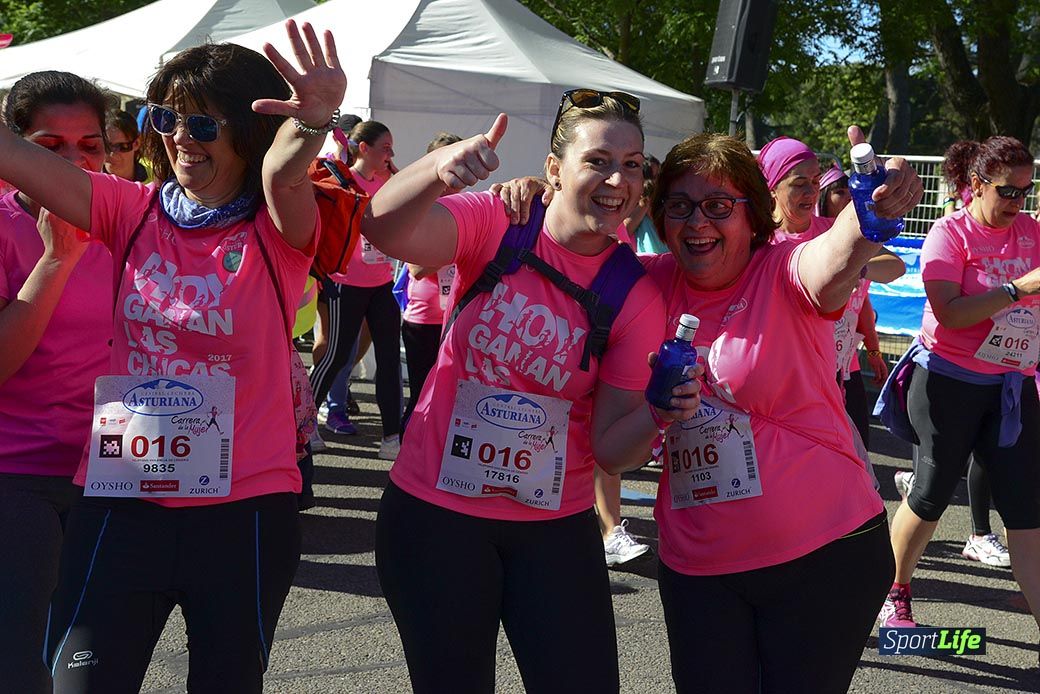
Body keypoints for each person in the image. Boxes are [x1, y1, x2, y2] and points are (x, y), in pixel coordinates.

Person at [0, 20, 346, 692]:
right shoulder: (129, 210)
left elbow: (283, 172)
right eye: (168, 118)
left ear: (248, 134)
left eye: (207, 125)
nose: (182, 138)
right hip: (122, 498)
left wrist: (311, 123)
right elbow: (13, 156)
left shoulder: (279, 226)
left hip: (243, 511)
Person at [365, 91, 698, 692]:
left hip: (554, 527)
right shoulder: (499, 222)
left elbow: (613, 450)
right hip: (436, 517)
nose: (616, 179)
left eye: (632, 164)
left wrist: (658, 412)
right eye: (597, 160)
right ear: (553, 169)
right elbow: (385, 228)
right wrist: (436, 175)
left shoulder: (634, 292)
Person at [605, 128, 922, 693]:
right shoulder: (647, 287)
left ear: (753, 215)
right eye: (679, 206)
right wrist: (536, 198)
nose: (697, 221)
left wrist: (868, 214)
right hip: (699, 568)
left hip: (825, 554)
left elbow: (830, 262)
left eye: (719, 206)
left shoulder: (781, 268)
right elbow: (611, 450)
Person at [878, 136, 1040, 632]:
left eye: (1025, 193)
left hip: (1011, 385)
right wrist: (1016, 288)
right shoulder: (950, 233)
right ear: (975, 185)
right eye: (1007, 192)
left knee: (1027, 510)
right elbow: (949, 314)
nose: (1017, 203)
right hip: (948, 381)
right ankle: (893, 590)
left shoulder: (1032, 232)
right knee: (929, 495)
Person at [0, 70, 114, 694]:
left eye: (89, 145)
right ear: (15, 147)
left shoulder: (133, 216)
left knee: (89, 670)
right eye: (49, 147)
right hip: (18, 472)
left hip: (116, 472)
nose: (73, 161)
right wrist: (55, 258)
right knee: (17, 665)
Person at [309, 119, 402, 458]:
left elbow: (411, 199)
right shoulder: (342, 178)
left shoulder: (390, 179)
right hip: (345, 283)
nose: (391, 155)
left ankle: (392, 436)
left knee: (390, 359)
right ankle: (302, 423)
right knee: (335, 356)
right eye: (385, 148)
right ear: (364, 148)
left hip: (381, 283)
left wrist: (395, 169)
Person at [816, 161, 890, 446]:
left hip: (847, 363)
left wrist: (873, 350)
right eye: (839, 193)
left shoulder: (862, 240)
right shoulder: (814, 240)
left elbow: (864, 300)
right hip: (811, 362)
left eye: (851, 192)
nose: (848, 199)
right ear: (823, 198)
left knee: (858, 443)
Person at [400, 131, 461, 432]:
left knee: (448, 398)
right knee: (421, 397)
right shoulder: (422, 203)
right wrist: (462, 248)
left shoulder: (468, 203)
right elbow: (416, 268)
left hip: (456, 317)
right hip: (424, 318)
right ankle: (407, 461)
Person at [104, 109, 151, 182]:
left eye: (121, 146)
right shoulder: (89, 183)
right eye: (106, 146)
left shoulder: (156, 181)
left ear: (136, 144)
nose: (112, 154)